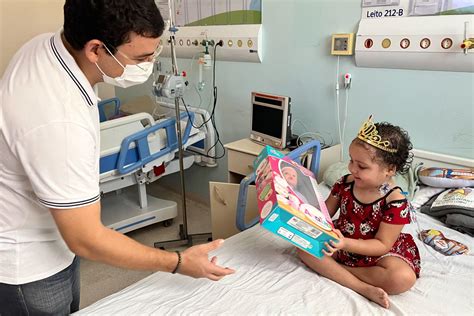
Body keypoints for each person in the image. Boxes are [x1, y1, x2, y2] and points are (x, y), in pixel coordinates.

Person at [0, 1, 234, 314]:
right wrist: (178, 262)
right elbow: (87, 239)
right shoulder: (59, 122)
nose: (150, 63)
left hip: (41, 231)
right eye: (141, 57)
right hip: (28, 265)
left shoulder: (43, 46)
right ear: (95, 49)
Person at [297, 115, 420, 309]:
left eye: (362, 166)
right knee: (303, 247)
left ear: (389, 170)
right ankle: (363, 287)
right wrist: (296, 198)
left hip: (377, 252)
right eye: (351, 160)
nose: (352, 169)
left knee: (402, 278)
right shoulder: (345, 183)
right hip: (340, 241)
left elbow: (382, 244)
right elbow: (324, 213)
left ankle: (340, 272)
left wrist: (346, 243)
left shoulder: (395, 202)